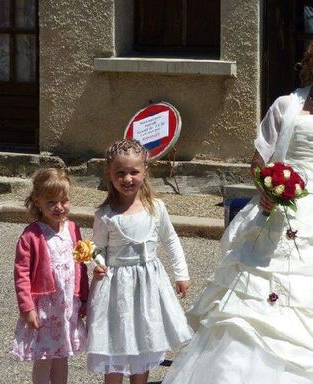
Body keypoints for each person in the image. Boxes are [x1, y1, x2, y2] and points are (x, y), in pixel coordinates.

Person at [163, 29, 313, 383]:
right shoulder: (287, 106)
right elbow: (259, 161)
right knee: (262, 308)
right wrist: (266, 189)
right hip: (286, 214)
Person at [86, 139, 192, 384]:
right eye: (120, 173)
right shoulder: (105, 215)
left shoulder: (156, 208)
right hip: (115, 288)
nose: (127, 178)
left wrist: (181, 274)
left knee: (143, 339)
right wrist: (97, 264)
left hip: (147, 286)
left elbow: (171, 240)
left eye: (134, 172)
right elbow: (95, 247)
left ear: (145, 172)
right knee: (114, 341)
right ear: (110, 175)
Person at [12, 168, 88, 384]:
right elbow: (22, 274)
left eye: (64, 201)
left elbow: (80, 266)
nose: (59, 207)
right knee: (44, 355)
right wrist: (26, 308)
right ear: (37, 201)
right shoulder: (31, 235)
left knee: (62, 354)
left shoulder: (72, 229)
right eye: (51, 202)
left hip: (66, 304)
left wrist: (83, 296)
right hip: (44, 307)